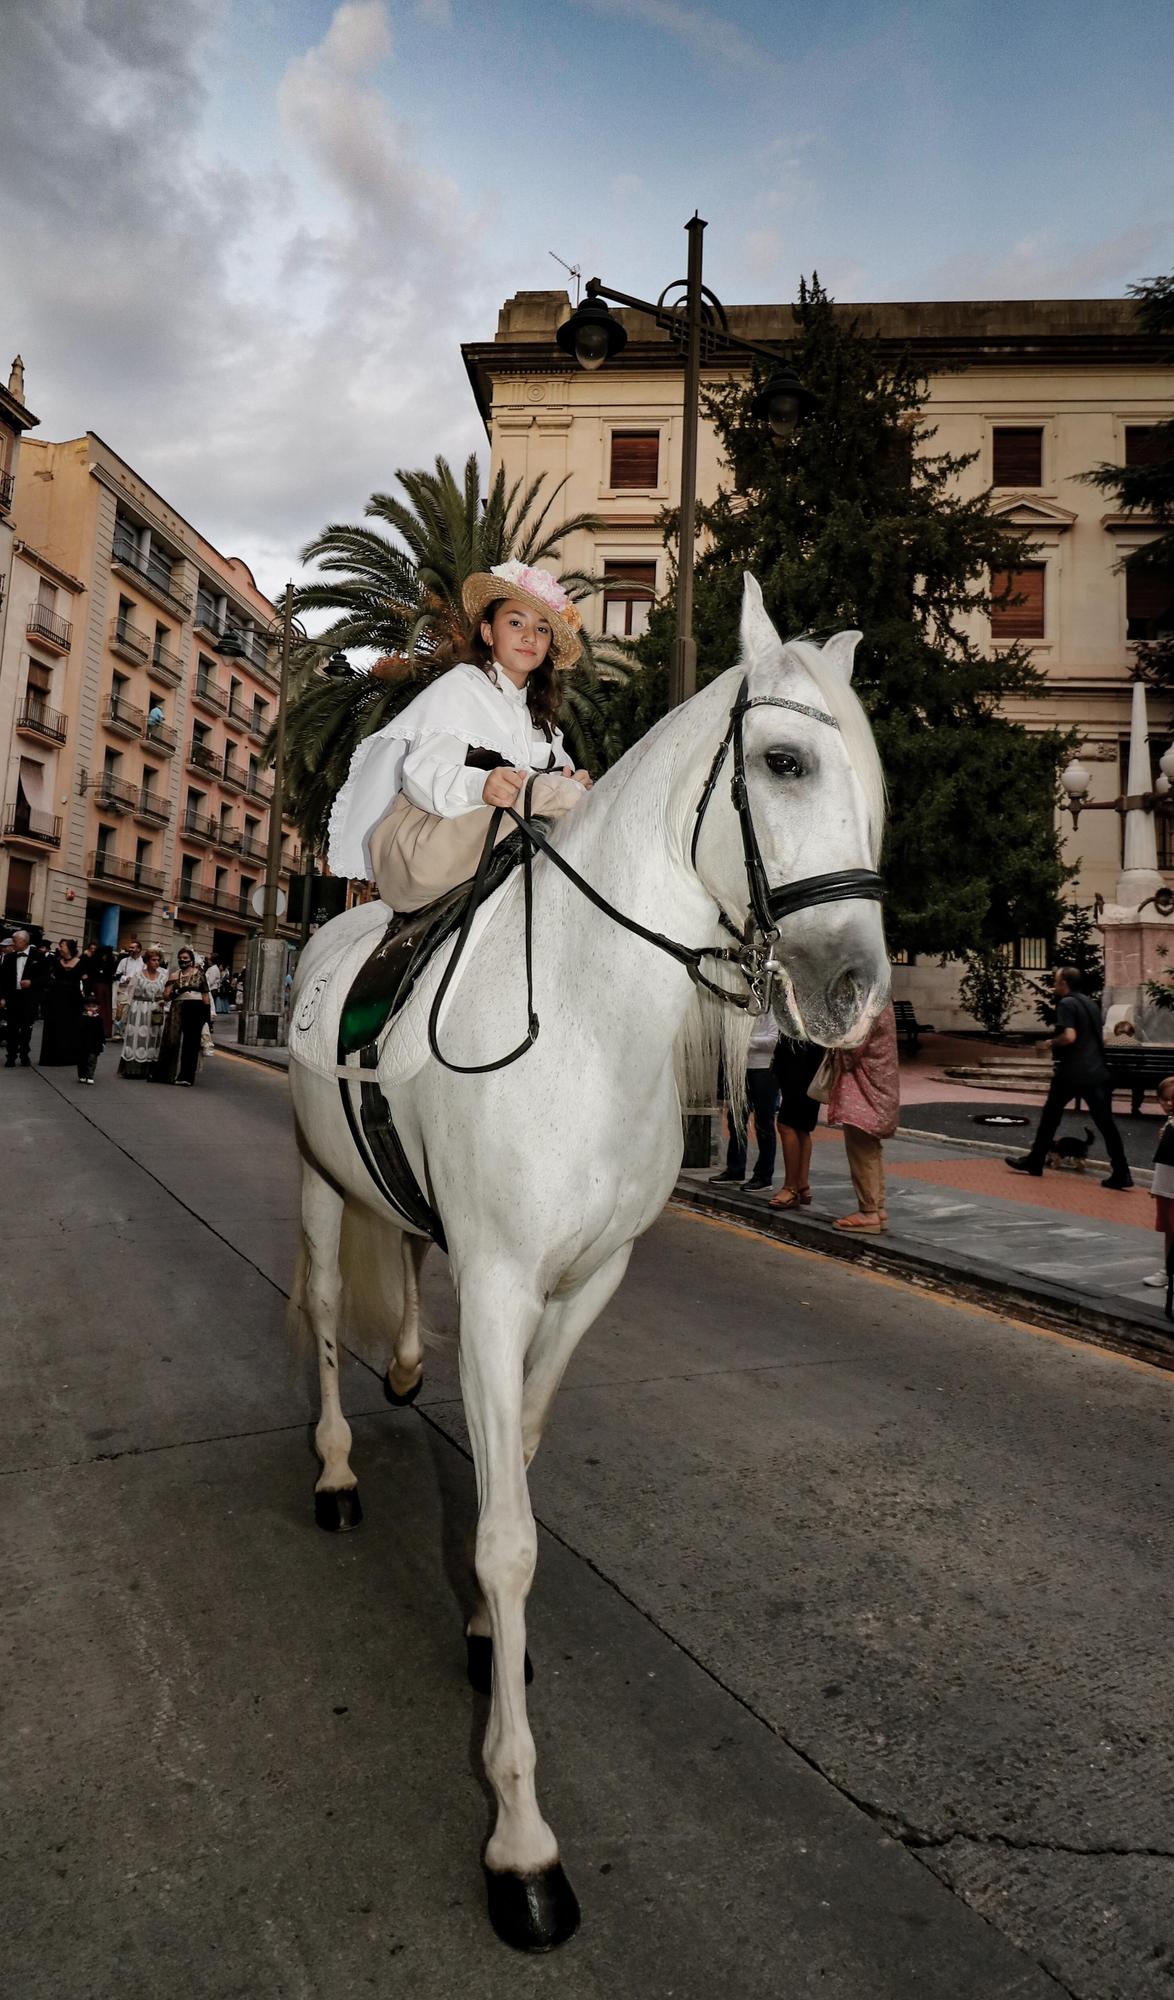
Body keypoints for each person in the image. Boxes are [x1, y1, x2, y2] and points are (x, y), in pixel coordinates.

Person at [327, 560, 592, 911]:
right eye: (516, 623)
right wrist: (480, 786)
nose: (530, 637)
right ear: (487, 633)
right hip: (430, 845)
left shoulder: (543, 720)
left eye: (542, 630)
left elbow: (559, 787)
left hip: (494, 841)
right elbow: (421, 773)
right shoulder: (461, 688)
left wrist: (578, 782)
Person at [1005, 966, 1133, 1189]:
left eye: (1056, 981)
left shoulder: (1066, 1003)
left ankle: (1035, 1161)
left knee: (1050, 1117)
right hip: (1097, 1071)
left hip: (1073, 1071)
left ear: (1064, 983)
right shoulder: (1090, 1003)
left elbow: (1069, 1036)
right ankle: (1121, 1171)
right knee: (1106, 1124)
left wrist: (1050, 1042)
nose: (1054, 985)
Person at [828, 1001, 900, 1232]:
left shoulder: (867, 1004)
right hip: (879, 1088)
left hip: (863, 1090)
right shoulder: (882, 1001)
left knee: (861, 1148)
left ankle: (868, 1211)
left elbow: (852, 1046)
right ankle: (878, 1208)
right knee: (870, 1148)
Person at [710, 1013, 780, 1191]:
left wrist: (744, 1041)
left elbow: (773, 1040)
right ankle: (735, 1168)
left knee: (764, 1124)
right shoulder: (742, 1007)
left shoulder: (770, 1008)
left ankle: (764, 1176)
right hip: (741, 1068)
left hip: (765, 1070)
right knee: (735, 1120)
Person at [769, 1036, 825, 1210]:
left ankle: (790, 1187)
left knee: (787, 1123)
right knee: (801, 1126)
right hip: (806, 1055)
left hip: (801, 1057)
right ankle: (802, 1185)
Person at [156, 947, 212, 1085]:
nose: (182, 961)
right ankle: (165, 1074)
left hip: (195, 1009)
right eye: (180, 958)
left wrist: (207, 1017)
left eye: (185, 958)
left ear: (192, 960)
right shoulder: (174, 975)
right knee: (172, 1040)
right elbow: (166, 996)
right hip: (178, 1007)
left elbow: (206, 996)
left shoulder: (200, 974)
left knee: (191, 1043)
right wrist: (176, 992)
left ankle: (186, 1077)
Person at [1146, 1076, 1174, 1316]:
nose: (1170, 1104)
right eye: (1165, 1099)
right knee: (1168, 1229)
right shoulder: (1169, 1123)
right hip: (1165, 1184)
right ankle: (1167, 1270)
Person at [118, 948, 169, 1079]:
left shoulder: (163, 977)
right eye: (153, 960)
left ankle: (150, 1069)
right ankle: (133, 1069)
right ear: (147, 961)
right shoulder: (138, 975)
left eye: (158, 960)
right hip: (138, 1010)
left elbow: (165, 995)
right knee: (136, 1038)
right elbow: (129, 993)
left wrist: (164, 1004)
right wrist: (122, 1010)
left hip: (155, 1011)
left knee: (152, 1038)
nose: (156, 962)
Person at [0, 929, 48, 1066]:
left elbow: (45, 978)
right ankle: (11, 1056)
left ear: (24, 941)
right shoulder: (9, 958)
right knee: (12, 1028)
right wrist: (2, 997)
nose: (13, 944)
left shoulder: (38, 956)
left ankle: (24, 1054)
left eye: (15, 941)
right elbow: (2, 980)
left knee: (26, 1028)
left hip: (29, 998)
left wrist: (32, 983)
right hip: (13, 997)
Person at [39, 938, 84, 1066]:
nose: (60, 948)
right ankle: (51, 1056)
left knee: (69, 1027)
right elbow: (49, 976)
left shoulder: (80, 963)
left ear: (70, 948)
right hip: (56, 998)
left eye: (62, 945)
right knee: (54, 1026)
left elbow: (84, 981)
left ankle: (68, 1056)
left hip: (72, 999)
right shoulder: (56, 961)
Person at [81, 940, 116, 1037]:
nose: (104, 956)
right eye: (103, 954)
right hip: (96, 986)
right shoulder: (95, 961)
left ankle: (105, 1030)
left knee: (105, 1008)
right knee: (96, 1007)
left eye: (106, 955)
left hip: (106, 987)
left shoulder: (110, 962)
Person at [113, 937, 144, 1040]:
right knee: (120, 1011)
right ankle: (118, 1032)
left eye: (133, 948)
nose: (130, 949)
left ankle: (129, 1032)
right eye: (130, 947)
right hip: (124, 989)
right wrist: (126, 978)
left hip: (137, 990)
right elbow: (117, 975)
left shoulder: (144, 962)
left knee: (133, 1011)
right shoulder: (124, 961)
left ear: (139, 949)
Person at [77, 999, 105, 1085]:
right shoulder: (82, 1017)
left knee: (92, 1059)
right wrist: (88, 1018)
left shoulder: (98, 1018)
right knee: (82, 1059)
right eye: (89, 1006)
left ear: (97, 1007)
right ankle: (82, 1075)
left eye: (93, 1006)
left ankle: (90, 1076)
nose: (91, 1008)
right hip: (83, 1042)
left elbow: (101, 1032)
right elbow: (79, 1029)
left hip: (94, 1043)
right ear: (85, 1007)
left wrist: (102, 1042)